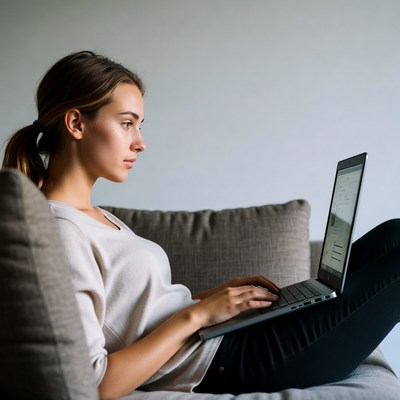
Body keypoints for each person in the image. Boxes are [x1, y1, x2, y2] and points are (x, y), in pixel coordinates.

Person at [2, 50, 400, 399]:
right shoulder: (61, 232)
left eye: (139, 125)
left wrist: (211, 297)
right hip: (233, 360)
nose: (140, 142)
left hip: (229, 337)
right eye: (127, 123)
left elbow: (134, 312)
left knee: (393, 235)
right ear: (76, 124)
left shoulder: (98, 217)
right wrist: (198, 315)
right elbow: (95, 382)